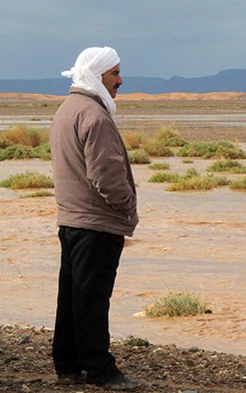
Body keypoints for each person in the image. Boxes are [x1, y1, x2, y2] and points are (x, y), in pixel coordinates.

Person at [49, 46, 141, 391]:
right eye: (114, 73)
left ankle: (68, 362)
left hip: (71, 219)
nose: (120, 80)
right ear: (97, 75)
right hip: (95, 222)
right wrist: (126, 206)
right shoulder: (95, 115)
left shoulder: (67, 110)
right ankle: (100, 368)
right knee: (92, 296)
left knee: (72, 293)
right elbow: (106, 176)